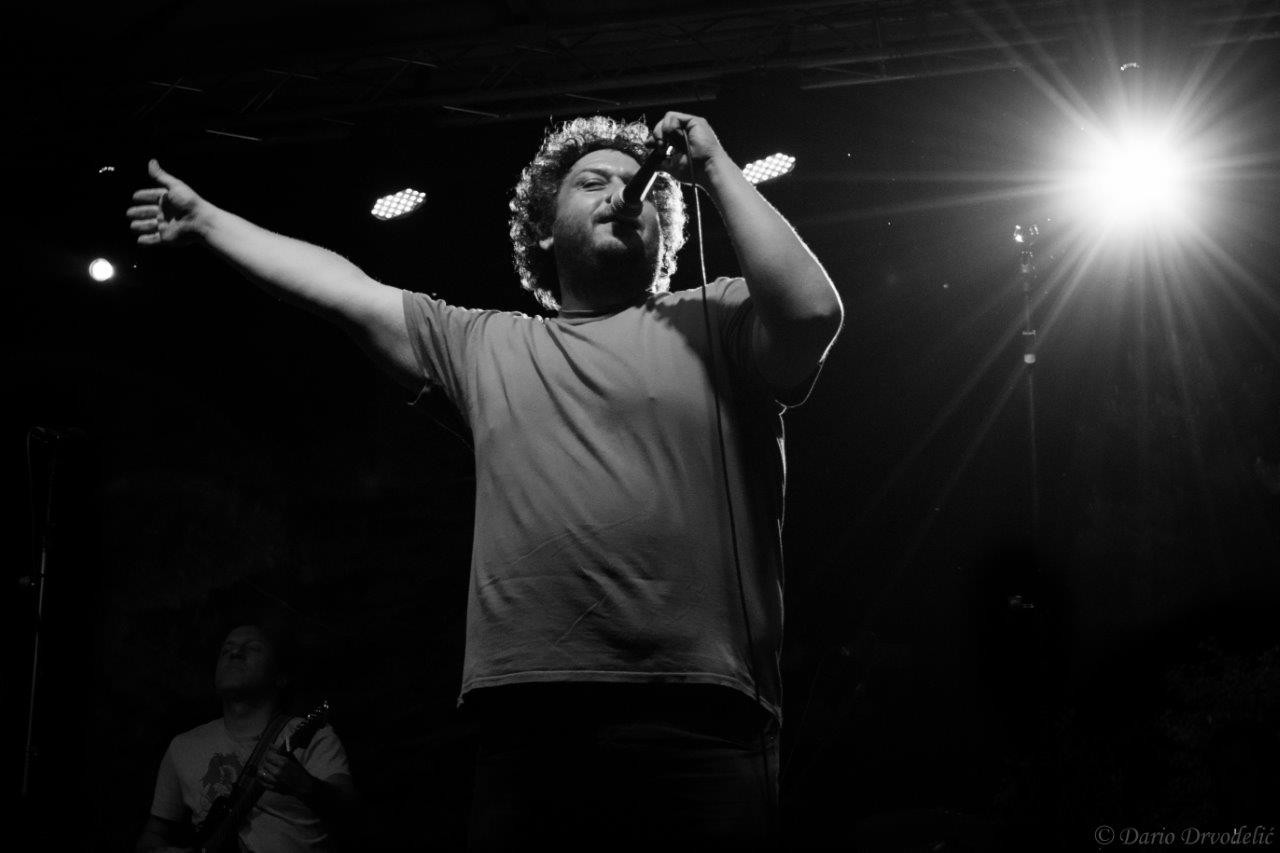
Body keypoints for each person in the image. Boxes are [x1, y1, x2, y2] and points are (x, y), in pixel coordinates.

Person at [128, 111, 842, 850]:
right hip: (530, 723)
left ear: (665, 235)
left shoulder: (718, 314)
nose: (620, 193)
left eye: (638, 187)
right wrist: (209, 222)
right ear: (543, 232)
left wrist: (716, 167)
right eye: (592, 182)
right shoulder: (484, 344)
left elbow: (813, 311)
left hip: (702, 717)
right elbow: (343, 288)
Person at [136, 624, 357, 853]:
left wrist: (305, 785)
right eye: (226, 649)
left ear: (280, 677)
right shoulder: (183, 747)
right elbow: (154, 833)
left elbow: (350, 814)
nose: (235, 652)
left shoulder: (313, 736)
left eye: (253, 648)